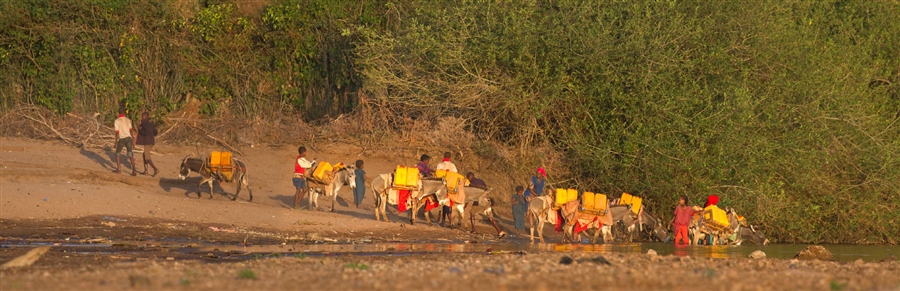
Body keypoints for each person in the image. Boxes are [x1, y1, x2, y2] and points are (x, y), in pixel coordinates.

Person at [462, 172, 506, 238]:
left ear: (469, 177)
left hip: (479, 201)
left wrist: (465, 207)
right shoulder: (481, 181)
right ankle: (500, 231)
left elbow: (469, 198)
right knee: (490, 216)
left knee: (472, 212)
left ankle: (473, 230)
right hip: (486, 200)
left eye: (468, 178)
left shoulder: (471, 184)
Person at [113, 107, 137, 176]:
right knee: (130, 154)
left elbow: (117, 132)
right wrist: (132, 139)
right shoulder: (128, 120)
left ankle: (119, 169)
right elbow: (130, 130)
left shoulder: (117, 121)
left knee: (117, 153)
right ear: (124, 113)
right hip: (128, 138)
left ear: (119, 112)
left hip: (122, 138)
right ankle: (134, 170)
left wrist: (116, 142)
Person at [135, 112, 159, 177]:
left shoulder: (144, 123)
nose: (141, 118)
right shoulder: (152, 124)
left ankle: (155, 169)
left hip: (147, 142)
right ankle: (146, 171)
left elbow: (145, 132)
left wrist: (140, 129)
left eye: (142, 116)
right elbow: (155, 132)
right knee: (144, 155)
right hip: (151, 141)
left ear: (145, 117)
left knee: (147, 157)